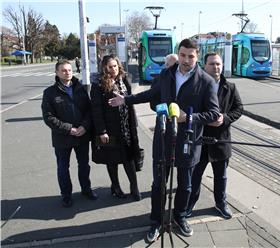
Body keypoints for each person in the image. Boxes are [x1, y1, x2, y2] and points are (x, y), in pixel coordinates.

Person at [108, 39, 220, 241]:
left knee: (185, 185)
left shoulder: (206, 81)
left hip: (189, 140)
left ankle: (180, 216)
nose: (186, 60)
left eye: (191, 56)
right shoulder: (166, 74)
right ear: (179, 53)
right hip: (164, 137)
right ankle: (156, 221)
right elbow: (152, 93)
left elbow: (213, 113)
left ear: (197, 57)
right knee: (159, 184)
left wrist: (191, 118)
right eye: (183, 55)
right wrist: (126, 100)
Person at [187, 52, 243, 219]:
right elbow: (190, 110)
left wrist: (224, 118)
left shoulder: (230, 87)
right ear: (205, 66)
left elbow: (239, 109)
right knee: (195, 176)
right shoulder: (196, 85)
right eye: (212, 64)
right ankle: (190, 203)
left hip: (221, 140)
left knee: (221, 177)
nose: (216, 67)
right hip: (200, 140)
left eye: (218, 64)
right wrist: (205, 119)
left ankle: (220, 203)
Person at [41, 60, 98, 208]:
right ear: (57, 73)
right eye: (64, 70)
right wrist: (69, 129)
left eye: (69, 70)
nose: (67, 72)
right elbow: (49, 118)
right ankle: (66, 195)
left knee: (84, 165)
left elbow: (89, 111)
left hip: (82, 135)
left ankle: (86, 189)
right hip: (62, 138)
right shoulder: (49, 93)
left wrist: (84, 127)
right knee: (63, 168)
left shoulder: (81, 88)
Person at [90, 54, 142, 201]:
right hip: (107, 130)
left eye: (114, 66)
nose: (113, 69)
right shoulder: (98, 85)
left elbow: (130, 102)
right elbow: (96, 110)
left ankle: (134, 187)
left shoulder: (124, 79)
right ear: (104, 68)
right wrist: (101, 131)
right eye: (109, 67)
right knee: (111, 160)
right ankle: (116, 187)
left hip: (125, 127)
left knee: (129, 158)